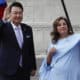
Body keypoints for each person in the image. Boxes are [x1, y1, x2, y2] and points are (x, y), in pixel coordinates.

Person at [0, 1, 36, 80]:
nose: (18, 15)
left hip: (24, 71)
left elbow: (31, 49)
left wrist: (33, 67)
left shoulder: (27, 29)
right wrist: (3, 19)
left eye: (20, 13)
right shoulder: (4, 27)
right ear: (10, 14)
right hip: (7, 71)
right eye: (15, 13)